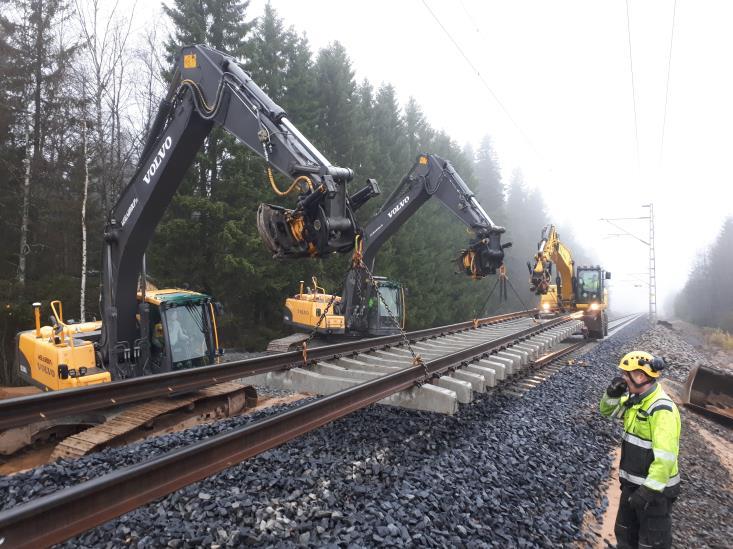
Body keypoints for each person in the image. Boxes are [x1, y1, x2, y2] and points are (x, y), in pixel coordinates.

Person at [599, 351, 681, 549]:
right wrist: (611, 394)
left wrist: (647, 491)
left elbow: (666, 458)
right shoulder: (635, 401)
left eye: (626, 375)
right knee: (625, 535)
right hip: (632, 486)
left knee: (650, 543)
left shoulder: (662, 409)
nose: (623, 379)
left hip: (655, 493)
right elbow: (607, 412)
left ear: (641, 376)